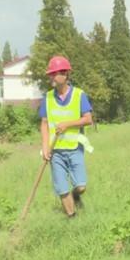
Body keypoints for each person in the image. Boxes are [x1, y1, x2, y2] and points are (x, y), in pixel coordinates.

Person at [39, 56, 93, 217]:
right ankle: (72, 218)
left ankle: (76, 196)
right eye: (50, 74)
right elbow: (44, 124)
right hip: (55, 151)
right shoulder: (47, 98)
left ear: (65, 74)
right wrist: (44, 147)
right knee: (62, 189)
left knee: (81, 186)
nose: (51, 77)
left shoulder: (79, 95)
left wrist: (67, 124)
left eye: (54, 74)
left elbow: (88, 119)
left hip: (74, 148)